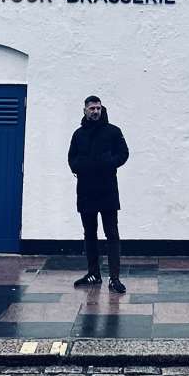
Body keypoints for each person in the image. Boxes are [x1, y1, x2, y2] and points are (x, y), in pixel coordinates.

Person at [67, 95, 130, 293]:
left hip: (108, 190)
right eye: (92, 108)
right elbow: (71, 158)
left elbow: (124, 153)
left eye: (98, 108)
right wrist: (81, 166)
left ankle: (114, 278)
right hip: (86, 191)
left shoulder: (113, 132)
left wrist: (109, 162)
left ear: (102, 110)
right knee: (89, 234)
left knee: (112, 234)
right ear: (85, 110)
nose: (95, 111)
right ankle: (93, 274)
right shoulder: (78, 134)